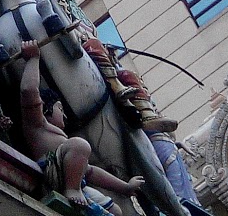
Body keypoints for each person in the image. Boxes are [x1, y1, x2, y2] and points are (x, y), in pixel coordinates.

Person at [14, 41, 145, 213]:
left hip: (79, 185)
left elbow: (90, 172)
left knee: (116, 211)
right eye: (60, 109)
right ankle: (72, 190)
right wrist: (34, 58)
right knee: (80, 144)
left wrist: (125, 187)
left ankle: (75, 190)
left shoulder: (66, 144)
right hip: (54, 179)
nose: (65, 116)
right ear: (45, 107)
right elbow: (29, 91)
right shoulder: (37, 126)